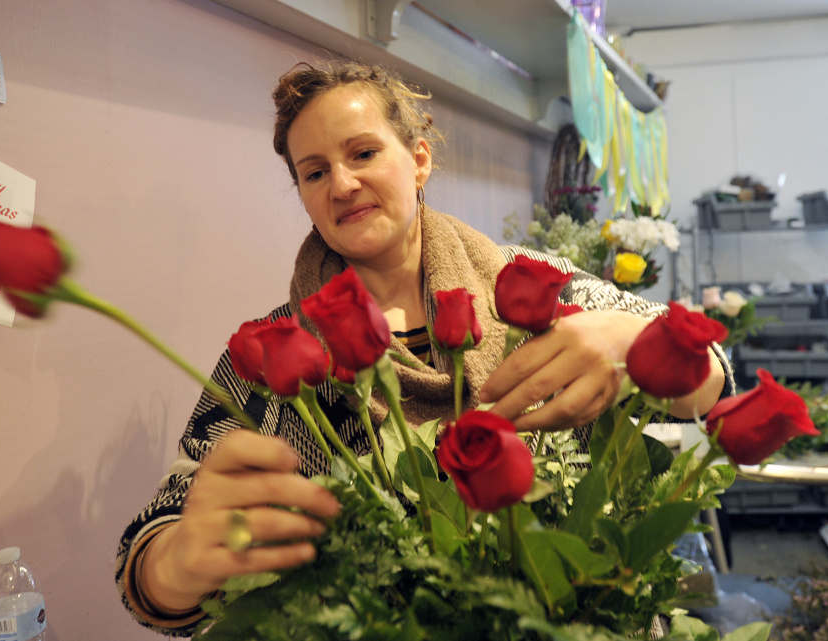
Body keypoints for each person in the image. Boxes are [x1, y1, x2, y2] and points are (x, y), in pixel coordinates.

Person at [115, 60, 730, 635]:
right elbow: (153, 553)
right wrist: (173, 568)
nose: (343, 183)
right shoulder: (274, 353)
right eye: (315, 171)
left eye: (363, 153)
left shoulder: (533, 289)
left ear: (419, 160)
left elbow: (714, 381)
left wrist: (626, 340)